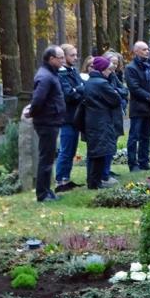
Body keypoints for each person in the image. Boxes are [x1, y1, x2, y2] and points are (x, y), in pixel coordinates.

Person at [27, 46, 66, 202]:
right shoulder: (45, 77)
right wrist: (32, 113)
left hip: (51, 120)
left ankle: (47, 191)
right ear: (51, 59)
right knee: (46, 159)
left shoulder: (51, 74)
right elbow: (38, 100)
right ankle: (42, 194)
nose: (63, 60)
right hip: (46, 122)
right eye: (61, 57)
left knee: (49, 158)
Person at [83, 56, 124, 189]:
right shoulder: (101, 83)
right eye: (108, 70)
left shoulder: (90, 81)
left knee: (95, 152)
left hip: (93, 120)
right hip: (101, 120)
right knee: (100, 152)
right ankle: (95, 182)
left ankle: (93, 181)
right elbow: (116, 99)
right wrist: (116, 92)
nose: (110, 72)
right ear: (101, 70)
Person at [125, 41, 150, 172]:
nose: (147, 51)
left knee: (146, 136)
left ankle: (144, 161)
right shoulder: (131, 68)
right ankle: (132, 163)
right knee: (134, 136)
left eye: (148, 49)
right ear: (136, 51)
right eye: (144, 49)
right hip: (138, 107)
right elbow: (134, 88)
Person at [54, 44, 84, 192]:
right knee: (66, 150)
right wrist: (78, 90)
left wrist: (77, 90)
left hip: (76, 116)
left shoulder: (73, 71)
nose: (75, 58)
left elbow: (81, 88)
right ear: (64, 56)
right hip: (66, 117)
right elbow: (68, 95)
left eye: (76, 54)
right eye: (72, 55)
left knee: (72, 150)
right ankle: (60, 180)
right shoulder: (60, 74)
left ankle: (66, 178)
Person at [101, 51, 128, 185]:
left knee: (113, 143)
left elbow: (124, 91)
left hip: (117, 113)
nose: (114, 66)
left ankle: (107, 170)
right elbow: (113, 94)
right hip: (108, 116)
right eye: (112, 63)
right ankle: (104, 173)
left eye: (117, 63)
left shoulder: (114, 76)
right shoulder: (103, 78)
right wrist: (117, 94)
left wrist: (118, 94)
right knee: (107, 143)